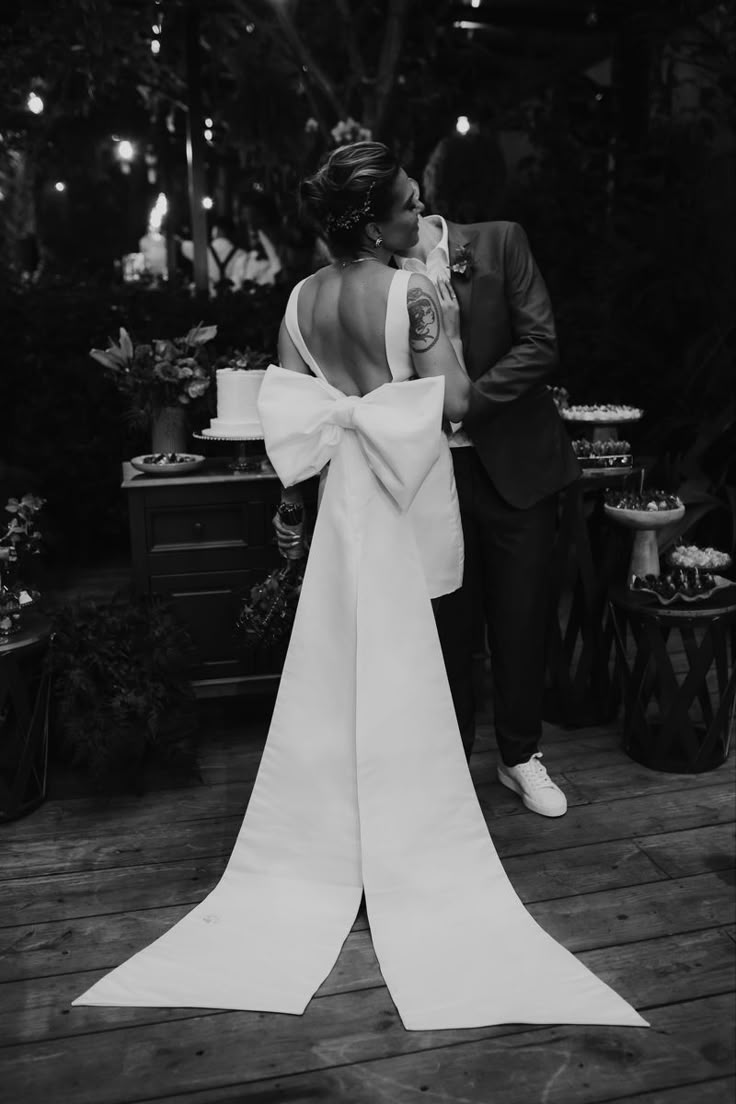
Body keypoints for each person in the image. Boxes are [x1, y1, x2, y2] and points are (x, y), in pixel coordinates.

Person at [72, 142, 645, 1033]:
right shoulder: (412, 293)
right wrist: (442, 336)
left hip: (345, 504)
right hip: (410, 500)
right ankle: (413, 825)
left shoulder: (299, 300)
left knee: (347, 659)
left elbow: (303, 405)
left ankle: (344, 820)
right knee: (417, 654)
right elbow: (451, 404)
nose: (422, 220)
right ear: (376, 221)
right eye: (409, 208)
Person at [392, 189, 582, 818]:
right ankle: (450, 761)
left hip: (516, 466)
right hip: (431, 473)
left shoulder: (500, 241)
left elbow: (540, 343)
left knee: (521, 617)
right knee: (446, 624)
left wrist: (465, 399)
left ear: (411, 202)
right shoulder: (378, 279)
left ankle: (520, 756)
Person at [179, 215, 249, 294]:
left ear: (216, 230)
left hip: (208, 298)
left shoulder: (203, 251)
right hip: (231, 300)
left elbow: (184, 246)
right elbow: (238, 280)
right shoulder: (241, 254)